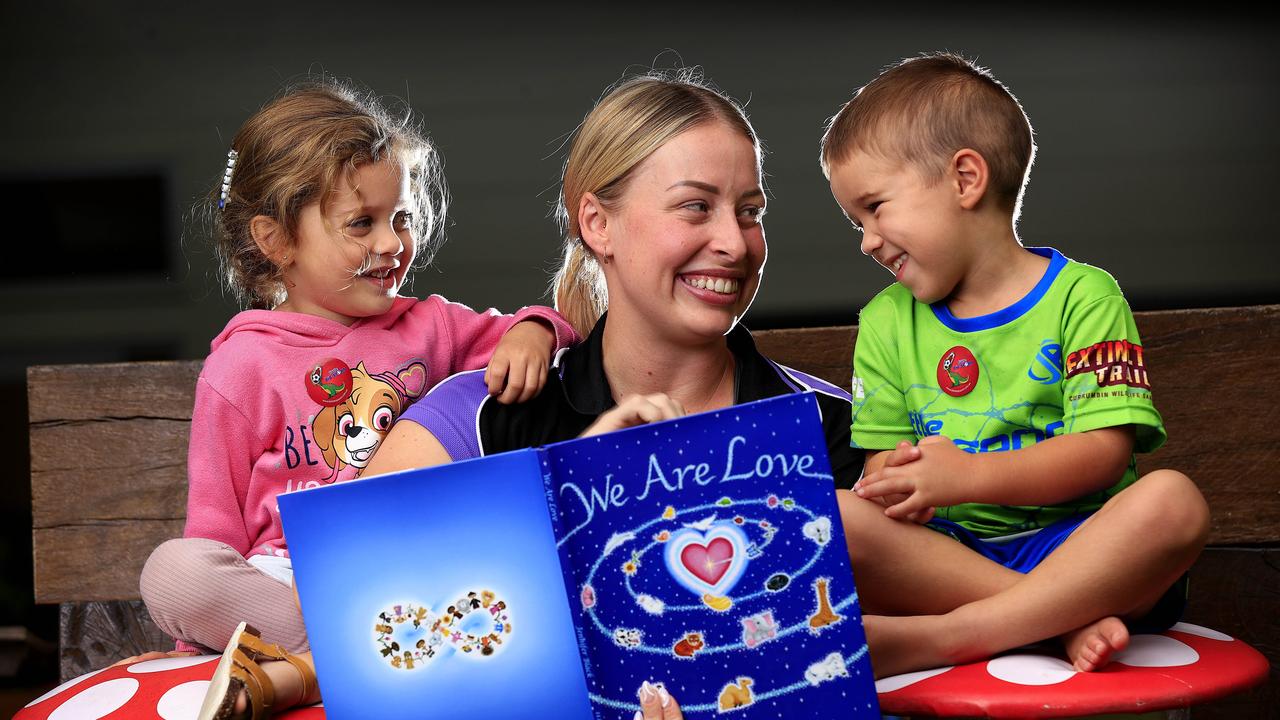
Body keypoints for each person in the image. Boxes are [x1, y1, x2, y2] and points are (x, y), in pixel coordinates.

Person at [360, 71, 861, 719]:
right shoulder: (488, 412)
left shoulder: (825, 423)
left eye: (750, 212)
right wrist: (573, 487)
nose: (736, 244)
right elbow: (356, 602)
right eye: (695, 206)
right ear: (598, 223)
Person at [133, 80, 580, 717]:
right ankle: (343, 657)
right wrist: (201, 641)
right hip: (288, 590)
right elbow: (215, 528)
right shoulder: (239, 367)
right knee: (173, 571)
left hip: (406, 572)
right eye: (361, 224)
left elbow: (546, 332)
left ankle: (332, 664)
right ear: (276, 240)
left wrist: (537, 330)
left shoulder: (430, 327)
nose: (391, 243)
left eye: (401, 217)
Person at [820, 52, 1209, 678]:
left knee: (1174, 502)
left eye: (876, 207)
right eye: (854, 222)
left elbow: (1103, 453)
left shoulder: (1085, 297)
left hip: (1088, 550)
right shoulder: (885, 323)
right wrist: (901, 485)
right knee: (835, 514)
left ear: (965, 179)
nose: (866, 239)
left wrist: (965, 476)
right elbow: (880, 470)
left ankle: (953, 636)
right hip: (955, 560)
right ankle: (1055, 622)